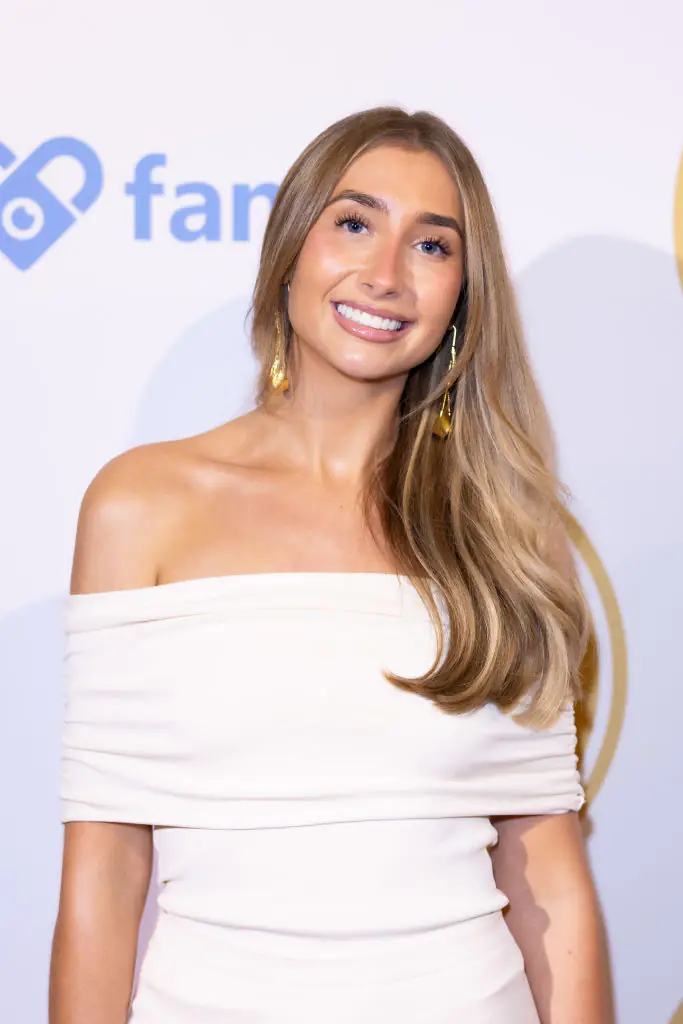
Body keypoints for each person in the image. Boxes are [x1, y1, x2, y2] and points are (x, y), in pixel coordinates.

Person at [49, 106, 613, 1023]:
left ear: (463, 295)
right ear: (289, 250)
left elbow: (546, 871)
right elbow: (104, 868)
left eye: (431, 245)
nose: (385, 274)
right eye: (354, 223)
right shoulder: (140, 505)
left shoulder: (508, 531)